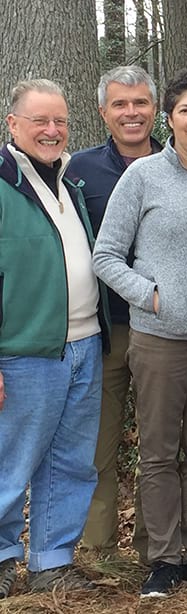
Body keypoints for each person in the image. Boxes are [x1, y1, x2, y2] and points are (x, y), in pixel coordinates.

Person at [92, 68, 187, 599]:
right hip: (158, 338)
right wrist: (152, 296)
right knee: (158, 451)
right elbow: (106, 256)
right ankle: (162, 557)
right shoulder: (143, 178)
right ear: (169, 118)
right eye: (185, 110)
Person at [0, 79, 109, 598]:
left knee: (70, 460)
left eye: (60, 121)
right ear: (12, 124)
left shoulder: (68, 180)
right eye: (39, 120)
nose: (51, 130)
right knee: (10, 460)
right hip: (24, 352)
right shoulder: (2, 183)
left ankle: (51, 560)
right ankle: (1, 559)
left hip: (85, 343)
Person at [71, 65, 162, 562]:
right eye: (121, 104)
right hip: (102, 332)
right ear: (104, 111)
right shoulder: (77, 171)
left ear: (155, 108)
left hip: (163, 332)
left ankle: (155, 548)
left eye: (141, 102)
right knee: (97, 449)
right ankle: (96, 552)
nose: (132, 113)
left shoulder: (177, 165)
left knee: (160, 448)